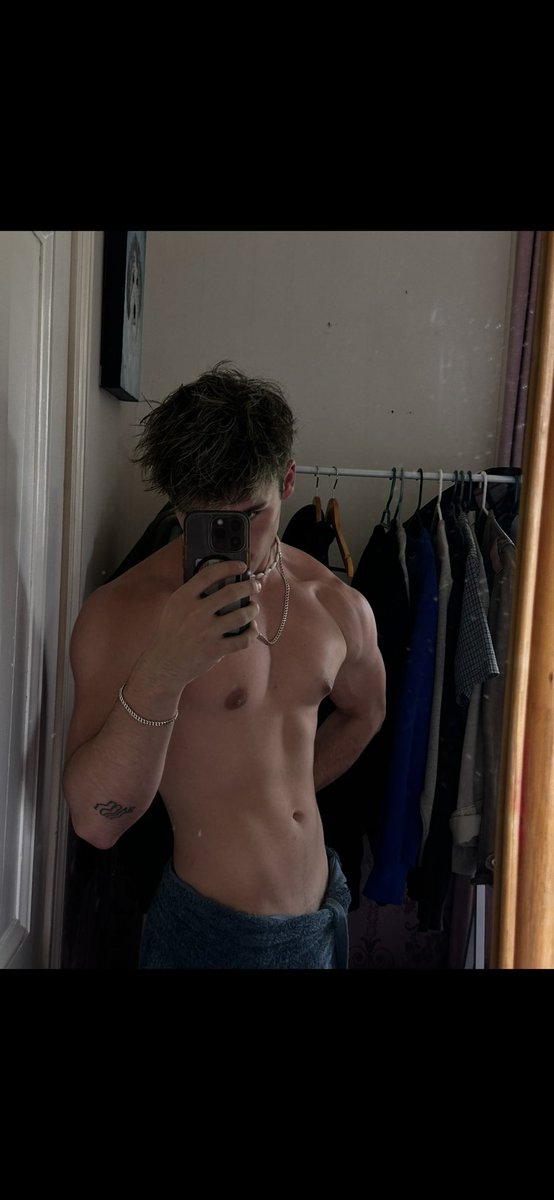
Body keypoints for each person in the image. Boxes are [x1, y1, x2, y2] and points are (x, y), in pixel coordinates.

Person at [63, 362, 386, 969]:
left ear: (288, 479)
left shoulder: (334, 602)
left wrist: (277, 798)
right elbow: (95, 822)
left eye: (251, 513)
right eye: (205, 518)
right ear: (177, 505)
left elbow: (367, 712)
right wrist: (166, 666)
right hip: (209, 935)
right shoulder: (125, 613)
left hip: (323, 915)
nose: (235, 539)